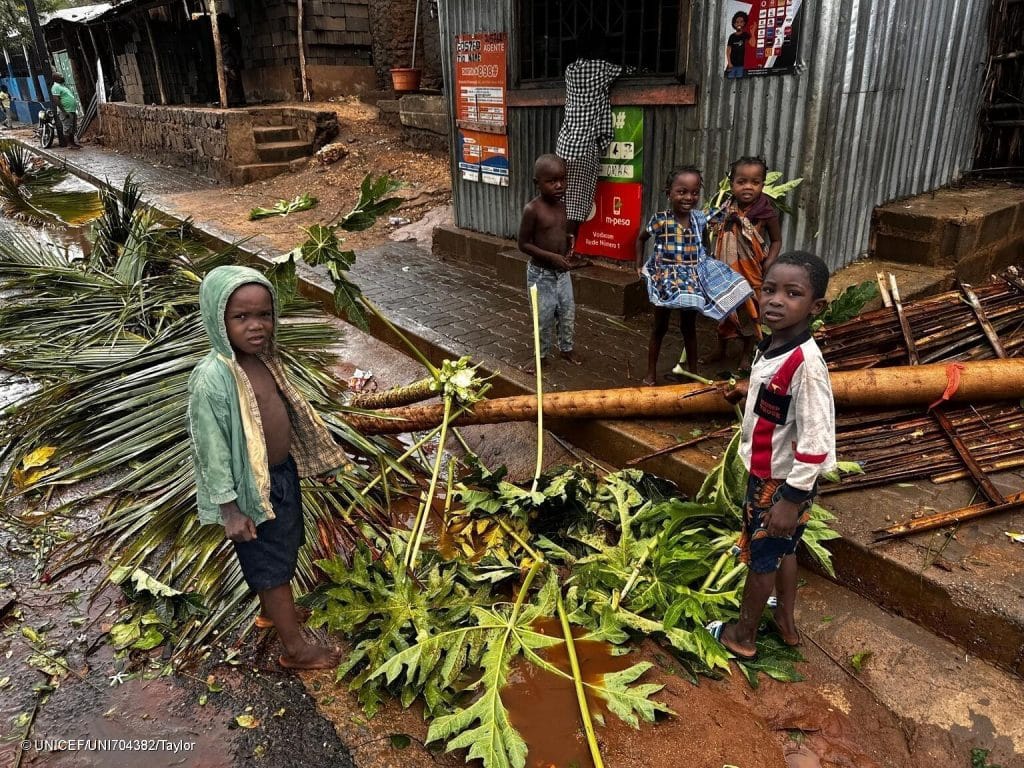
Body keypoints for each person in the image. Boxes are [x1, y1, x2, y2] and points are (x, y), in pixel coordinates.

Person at [188, 265, 345, 670]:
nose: (256, 326)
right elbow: (212, 449)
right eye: (241, 317)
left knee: (286, 546)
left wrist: (315, 460)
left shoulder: (264, 360)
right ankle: (296, 650)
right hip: (249, 491)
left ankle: (273, 614)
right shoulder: (213, 379)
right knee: (270, 564)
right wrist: (230, 508)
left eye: (264, 315)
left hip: (281, 475)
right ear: (217, 320)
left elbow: (289, 412)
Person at [713, 251, 835, 660]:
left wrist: (792, 498)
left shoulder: (807, 366)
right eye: (769, 290)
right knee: (782, 550)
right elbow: (779, 401)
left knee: (761, 559)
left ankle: (741, 636)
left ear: (816, 307)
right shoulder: (774, 345)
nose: (776, 300)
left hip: (780, 485)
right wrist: (748, 391)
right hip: (773, 479)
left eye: (792, 293)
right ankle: (785, 621)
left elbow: (817, 440)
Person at [636, 165, 752, 386]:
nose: (689, 197)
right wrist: (638, 265)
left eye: (695, 192)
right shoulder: (661, 219)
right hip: (665, 280)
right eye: (682, 192)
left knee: (688, 327)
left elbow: (719, 218)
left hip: (691, 282)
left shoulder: (699, 219)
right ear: (668, 192)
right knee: (659, 327)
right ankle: (650, 373)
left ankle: (692, 372)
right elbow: (641, 238)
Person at [556, 33, 628, 251]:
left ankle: (560, 248)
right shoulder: (602, 69)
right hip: (584, 146)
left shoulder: (570, 70)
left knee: (564, 201)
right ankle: (567, 253)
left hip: (565, 145)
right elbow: (625, 70)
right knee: (578, 204)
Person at [709, 155, 783, 363]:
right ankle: (720, 349)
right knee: (723, 310)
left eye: (755, 182)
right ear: (731, 184)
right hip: (726, 272)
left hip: (752, 271)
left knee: (751, 311)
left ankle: (745, 353)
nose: (748, 187)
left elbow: (776, 241)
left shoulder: (766, 213)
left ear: (762, 184)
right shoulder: (725, 209)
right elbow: (714, 230)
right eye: (741, 182)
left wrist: (769, 263)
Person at [518, 154, 581, 369]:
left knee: (567, 313)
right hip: (541, 275)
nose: (559, 185)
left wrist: (568, 246)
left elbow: (561, 233)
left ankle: (567, 349)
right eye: (552, 181)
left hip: (562, 274)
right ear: (537, 183)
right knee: (542, 318)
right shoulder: (532, 210)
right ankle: (540, 356)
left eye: (562, 180)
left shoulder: (562, 206)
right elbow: (523, 244)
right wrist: (552, 257)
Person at [50, 73, 80, 148]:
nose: (62, 77)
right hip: (66, 111)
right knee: (67, 128)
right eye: (60, 76)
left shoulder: (62, 86)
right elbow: (56, 99)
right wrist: (64, 111)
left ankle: (73, 143)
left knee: (72, 128)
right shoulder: (55, 87)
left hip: (71, 110)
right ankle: (69, 144)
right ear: (56, 78)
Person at [725, 11, 750, 79]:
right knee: (730, 81)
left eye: (741, 22)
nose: (739, 24)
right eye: (737, 22)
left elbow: (752, 44)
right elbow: (728, 50)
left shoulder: (745, 35)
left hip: (742, 65)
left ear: (744, 23)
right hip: (732, 65)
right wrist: (729, 63)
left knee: (740, 82)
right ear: (734, 24)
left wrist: (753, 33)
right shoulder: (732, 36)